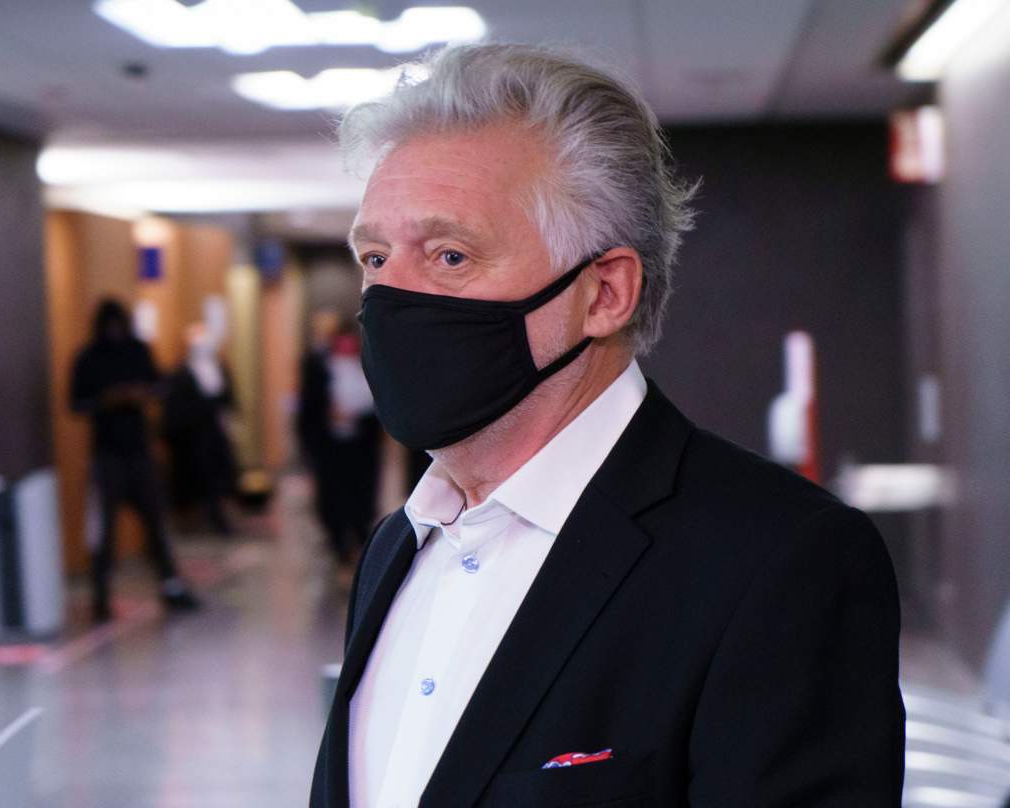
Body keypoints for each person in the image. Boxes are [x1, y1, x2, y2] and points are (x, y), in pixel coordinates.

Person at [311, 44, 904, 807]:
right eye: (375, 256)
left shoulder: (781, 563)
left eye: (451, 255)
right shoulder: (397, 545)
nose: (390, 298)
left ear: (604, 293)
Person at [70, 299, 199, 623]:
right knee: (104, 531)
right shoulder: (89, 357)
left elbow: (159, 385)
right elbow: (76, 402)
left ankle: (171, 586)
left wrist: (141, 393)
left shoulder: (137, 352)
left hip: (138, 452)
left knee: (156, 526)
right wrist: (107, 400)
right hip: (107, 455)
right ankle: (100, 596)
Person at [297, 312, 382, 569]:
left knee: (361, 491)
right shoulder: (318, 365)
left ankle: (359, 535)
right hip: (330, 445)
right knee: (334, 492)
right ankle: (338, 540)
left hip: (362, 444)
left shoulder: (367, 364)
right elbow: (309, 407)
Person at [163, 322, 239, 535]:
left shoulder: (219, 370)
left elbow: (229, 399)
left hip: (216, 435)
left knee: (218, 478)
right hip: (193, 439)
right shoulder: (182, 374)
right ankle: (201, 517)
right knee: (198, 479)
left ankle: (217, 516)